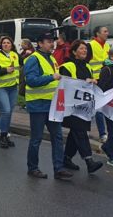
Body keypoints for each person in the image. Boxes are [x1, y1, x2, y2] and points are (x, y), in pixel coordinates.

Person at [24, 32, 72, 180]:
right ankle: (33, 168)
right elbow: (31, 81)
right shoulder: (33, 59)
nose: (52, 44)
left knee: (57, 137)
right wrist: (51, 77)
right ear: (40, 44)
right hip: (38, 104)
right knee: (36, 138)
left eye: (53, 41)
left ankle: (58, 169)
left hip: (52, 105)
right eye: (48, 41)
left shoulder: (51, 58)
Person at [59, 40, 104, 174]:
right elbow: (65, 84)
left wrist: (94, 82)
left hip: (83, 107)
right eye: (81, 49)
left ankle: (66, 158)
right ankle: (89, 161)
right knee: (80, 132)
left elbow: (88, 86)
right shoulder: (67, 66)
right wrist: (85, 82)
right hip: (71, 107)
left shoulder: (88, 66)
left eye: (85, 49)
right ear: (74, 52)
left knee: (75, 133)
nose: (84, 51)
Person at [0, 35, 20, 148]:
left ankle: (5, 135)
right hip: (1, 87)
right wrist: (5, 70)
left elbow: (23, 63)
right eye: (4, 43)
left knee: (9, 112)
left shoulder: (15, 55)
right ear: (1, 45)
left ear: (11, 45)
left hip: (13, 88)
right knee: (5, 110)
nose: (6, 44)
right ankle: (2, 135)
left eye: (8, 43)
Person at [89, 26, 111, 142]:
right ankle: (102, 134)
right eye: (105, 31)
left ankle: (100, 133)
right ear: (98, 34)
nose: (108, 33)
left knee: (98, 107)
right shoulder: (91, 45)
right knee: (98, 108)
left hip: (105, 80)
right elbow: (86, 62)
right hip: (94, 81)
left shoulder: (107, 46)